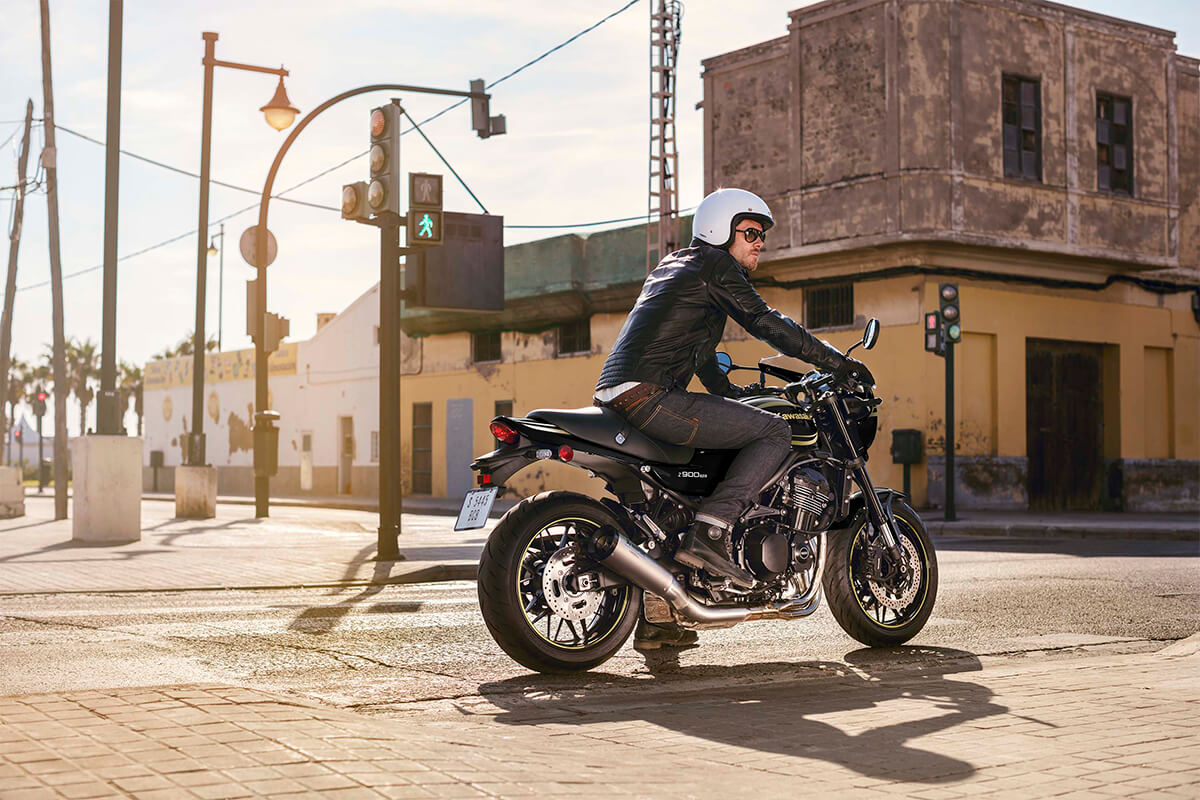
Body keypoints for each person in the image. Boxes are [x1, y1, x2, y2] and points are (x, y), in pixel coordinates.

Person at [594, 188, 874, 651]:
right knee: (775, 430)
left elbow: (698, 348)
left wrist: (728, 393)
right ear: (720, 230)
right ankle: (711, 532)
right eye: (750, 232)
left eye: (762, 234)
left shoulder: (677, 267)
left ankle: (660, 618)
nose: (759, 241)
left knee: (672, 504)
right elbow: (766, 322)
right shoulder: (716, 266)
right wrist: (837, 363)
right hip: (651, 395)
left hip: (618, 392)